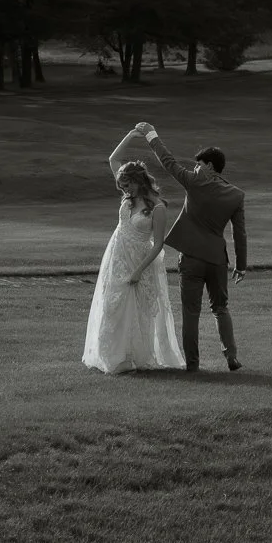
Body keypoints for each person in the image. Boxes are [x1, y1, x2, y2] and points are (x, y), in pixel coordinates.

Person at [137, 121, 248, 372]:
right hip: (217, 260)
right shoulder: (236, 195)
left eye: (199, 164)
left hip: (192, 259)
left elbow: (168, 162)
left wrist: (151, 134)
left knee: (191, 312)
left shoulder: (195, 182)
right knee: (221, 308)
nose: (195, 167)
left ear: (209, 166)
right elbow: (239, 233)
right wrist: (241, 265)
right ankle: (231, 356)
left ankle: (193, 365)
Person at [81, 128, 186, 374]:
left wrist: (139, 270)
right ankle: (113, 357)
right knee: (112, 304)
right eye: (122, 185)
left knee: (136, 310)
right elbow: (113, 160)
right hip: (116, 255)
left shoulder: (158, 208)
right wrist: (131, 135)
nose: (125, 190)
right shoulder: (129, 197)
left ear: (140, 181)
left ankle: (134, 357)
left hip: (139, 259)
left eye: (128, 185)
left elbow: (159, 244)